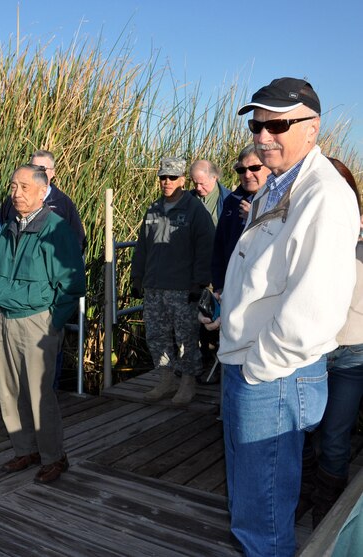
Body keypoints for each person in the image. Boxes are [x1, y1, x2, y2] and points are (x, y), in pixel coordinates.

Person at [213, 77, 359, 556]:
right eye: (258, 124)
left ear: (312, 129)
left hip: (272, 376)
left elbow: (315, 307)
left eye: (278, 123)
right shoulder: (280, 186)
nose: (262, 135)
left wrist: (258, 368)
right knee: (252, 509)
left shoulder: (325, 195)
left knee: (264, 521)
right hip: (252, 367)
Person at [0, 164, 85, 483]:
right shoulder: (7, 229)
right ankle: (25, 450)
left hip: (38, 322)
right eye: (13, 187)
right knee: (9, 391)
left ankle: (53, 457)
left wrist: (53, 324)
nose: (16, 193)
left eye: (23, 188)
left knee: (39, 394)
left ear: (42, 190)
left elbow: (72, 285)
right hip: (5, 318)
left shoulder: (57, 230)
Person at [130, 157, 215, 405]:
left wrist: (199, 283)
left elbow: (205, 249)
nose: (166, 182)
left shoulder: (195, 210)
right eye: (162, 177)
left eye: (172, 177)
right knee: (157, 335)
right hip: (154, 286)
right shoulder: (153, 209)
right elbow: (142, 247)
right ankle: (166, 379)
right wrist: (137, 277)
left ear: (182, 180)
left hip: (182, 288)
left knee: (186, 337)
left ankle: (188, 382)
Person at [311, 159, 362, 528]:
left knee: (335, 434)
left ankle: (325, 518)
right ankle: (303, 494)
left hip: (353, 353)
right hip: (312, 348)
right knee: (305, 428)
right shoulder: (308, 231)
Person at [211, 146, 271, 292]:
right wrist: (219, 286)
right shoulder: (231, 201)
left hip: (264, 290)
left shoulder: (280, 200)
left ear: (269, 167)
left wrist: (256, 217)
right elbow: (220, 245)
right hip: (232, 286)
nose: (247, 175)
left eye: (255, 168)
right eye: (241, 170)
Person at [0, 149, 85, 250]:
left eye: (42, 168)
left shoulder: (63, 203)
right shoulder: (13, 200)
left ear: (53, 172)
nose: (38, 172)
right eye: (33, 167)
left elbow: (78, 240)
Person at [190, 160, 231, 227]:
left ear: (214, 178)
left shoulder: (230, 199)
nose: (198, 188)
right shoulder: (186, 198)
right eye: (195, 183)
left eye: (202, 183)